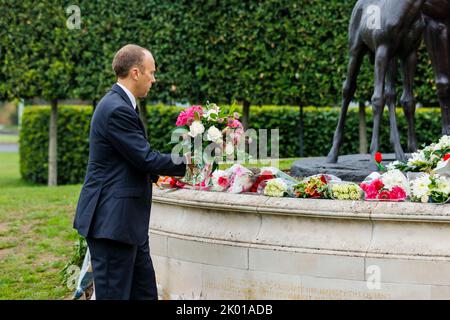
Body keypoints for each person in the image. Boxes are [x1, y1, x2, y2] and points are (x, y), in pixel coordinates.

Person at [73, 44, 187, 300]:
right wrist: (191, 161)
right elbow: (145, 157)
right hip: (112, 225)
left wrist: (159, 177)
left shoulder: (122, 104)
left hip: (127, 226)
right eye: (151, 72)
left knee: (145, 295)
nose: (154, 79)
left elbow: (128, 159)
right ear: (135, 73)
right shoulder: (116, 109)